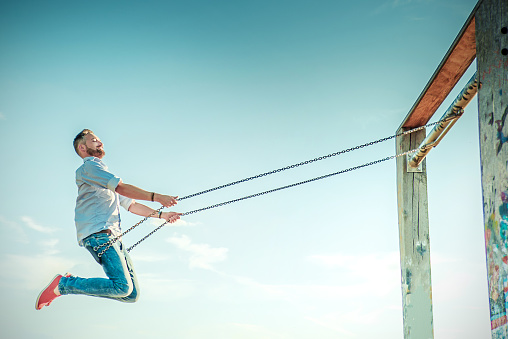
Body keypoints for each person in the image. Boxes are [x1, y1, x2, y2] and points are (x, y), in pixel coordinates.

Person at [35, 129, 181, 310]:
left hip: (113, 238)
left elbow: (132, 205)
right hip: (99, 235)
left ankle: (65, 284)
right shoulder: (89, 168)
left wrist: (162, 216)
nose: (100, 143)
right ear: (82, 147)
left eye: (99, 140)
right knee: (122, 287)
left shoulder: (103, 174)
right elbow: (121, 188)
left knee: (131, 294)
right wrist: (157, 197)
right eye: (94, 140)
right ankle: (64, 284)